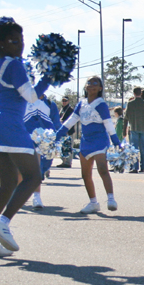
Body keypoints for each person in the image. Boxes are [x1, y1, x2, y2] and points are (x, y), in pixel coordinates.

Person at [0, 17, 54, 257]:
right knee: (33, 176)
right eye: (12, 40)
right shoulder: (15, 65)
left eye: (21, 40)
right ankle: (3, 222)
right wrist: (48, 79)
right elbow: (31, 97)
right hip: (10, 125)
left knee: (8, 182)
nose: (18, 45)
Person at [56, 76, 121, 214]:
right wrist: (59, 133)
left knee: (102, 169)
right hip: (85, 141)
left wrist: (115, 140)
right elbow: (71, 120)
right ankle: (93, 203)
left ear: (100, 88)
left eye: (95, 83)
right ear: (85, 87)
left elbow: (108, 123)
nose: (91, 85)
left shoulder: (101, 104)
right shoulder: (81, 103)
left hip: (99, 140)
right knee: (85, 174)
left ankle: (111, 198)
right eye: (89, 83)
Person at [24, 92, 61, 209]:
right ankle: (24, 196)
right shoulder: (23, 101)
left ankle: (36, 196)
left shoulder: (50, 104)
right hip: (24, 137)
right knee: (21, 169)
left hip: (43, 140)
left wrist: (58, 136)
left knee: (39, 168)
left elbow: (56, 122)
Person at [124, 86, 144, 173]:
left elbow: (126, 116)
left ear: (134, 93)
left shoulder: (130, 104)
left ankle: (134, 167)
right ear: (141, 93)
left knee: (134, 148)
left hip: (134, 127)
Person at [58, 96, 75, 167]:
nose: (64, 102)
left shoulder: (70, 110)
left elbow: (71, 121)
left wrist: (68, 130)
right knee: (62, 147)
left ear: (68, 101)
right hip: (62, 131)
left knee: (68, 147)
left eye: (65, 101)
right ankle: (64, 161)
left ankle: (68, 162)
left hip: (69, 131)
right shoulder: (62, 109)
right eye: (63, 101)